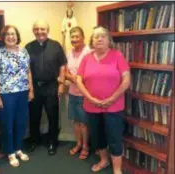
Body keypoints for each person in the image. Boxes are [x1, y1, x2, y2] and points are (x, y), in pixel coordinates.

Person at [77, 26, 130, 174]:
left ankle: (117, 169)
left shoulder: (117, 55)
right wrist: (90, 98)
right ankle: (104, 160)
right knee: (98, 136)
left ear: (109, 40)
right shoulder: (87, 58)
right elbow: (79, 80)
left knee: (114, 137)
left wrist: (112, 98)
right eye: (96, 36)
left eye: (103, 36)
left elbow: (126, 80)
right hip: (91, 106)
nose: (99, 39)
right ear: (92, 40)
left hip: (114, 106)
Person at [0, 25, 34, 167]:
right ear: (3, 37)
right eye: (8, 34)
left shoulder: (24, 51)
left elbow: (28, 72)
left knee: (21, 123)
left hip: (23, 92)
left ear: (17, 36)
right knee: (7, 124)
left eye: (14, 34)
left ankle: (18, 148)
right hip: (6, 94)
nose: (11, 36)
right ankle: (10, 152)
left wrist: (31, 89)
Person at [25, 20, 67, 155]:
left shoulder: (56, 46)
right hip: (35, 87)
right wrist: (30, 89)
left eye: (42, 29)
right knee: (34, 116)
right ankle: (34, 140)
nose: (39, 32)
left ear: (47, 30)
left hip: (51, 87)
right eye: (36, 29)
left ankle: (52, 142)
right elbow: (26, 69)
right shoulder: (28, 47)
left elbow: (62, 65)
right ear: (33, 31)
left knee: (53, 116)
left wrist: (61, 85)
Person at [65, 26, 90, 160]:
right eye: (72, 37)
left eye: (77, 36)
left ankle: (86, 146)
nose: (74, 39)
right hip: (72, 92)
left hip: (84, 94)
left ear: (83, 37)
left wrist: (77, 80)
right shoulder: (69, 52)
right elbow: (66, 72)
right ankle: (79, 144)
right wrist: (73, 79)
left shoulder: (89, 52)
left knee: (84, 122)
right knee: (75, 121)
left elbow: (91, 73)